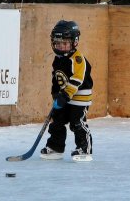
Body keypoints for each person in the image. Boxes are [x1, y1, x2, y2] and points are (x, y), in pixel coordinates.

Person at [40, 20, 94, 162]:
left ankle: (84, 148)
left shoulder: (77, 59)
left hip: (80, 98)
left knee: (77, 122)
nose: (61, 47)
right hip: (64, 96)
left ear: (74, 42)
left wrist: (65, 95)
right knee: (57, 121)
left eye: (65, 43)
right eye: (58, 43)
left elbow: (78, 79)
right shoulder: (57, 59)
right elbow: (56, 78)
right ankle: (56, 147)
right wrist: (55, 94)